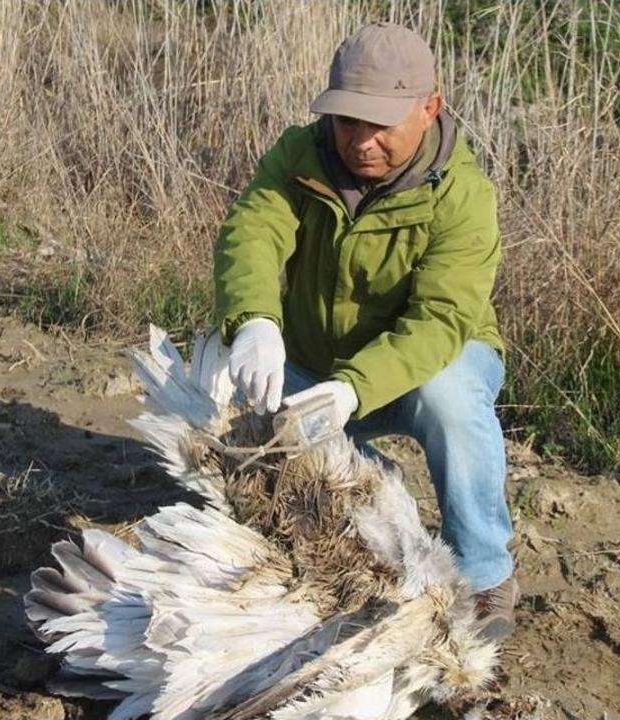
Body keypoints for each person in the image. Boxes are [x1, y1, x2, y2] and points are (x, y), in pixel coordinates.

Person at [213, 22, 518, 640]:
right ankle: (380, 486)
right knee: (231, 429)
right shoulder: (299, 155)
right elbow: (253, 232)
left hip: (429, 362)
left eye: (381, 124)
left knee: (452, 401)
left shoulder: (463, 194)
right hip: (312, 359)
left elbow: (441, 319)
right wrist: (255, 323)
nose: (361, 141)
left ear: (429, 107)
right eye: (348, 121)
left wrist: (353, 388)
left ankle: (486, 579)